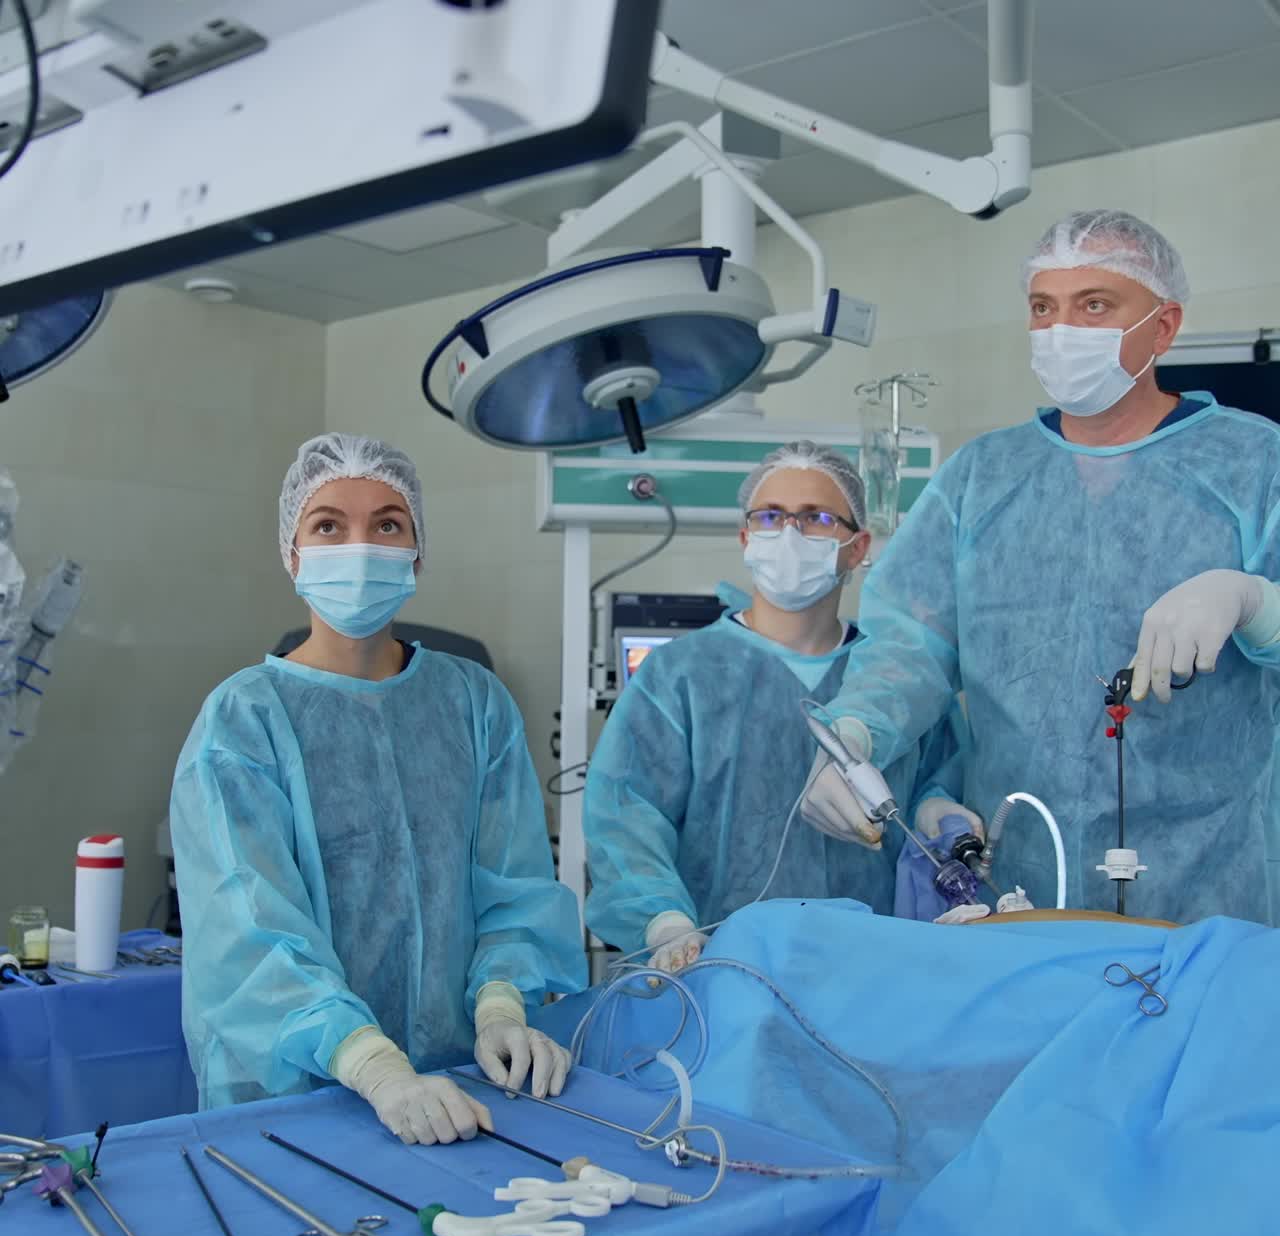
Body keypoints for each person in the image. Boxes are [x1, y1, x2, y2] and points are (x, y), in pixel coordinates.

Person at [802, 210, 1280, 924]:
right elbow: (910, 646)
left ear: (1164, 326)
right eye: (1042, 308)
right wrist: (858, 734)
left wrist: (1254, 602)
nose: (1062, 331)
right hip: (1019, 882)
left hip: (1209, 883)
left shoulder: (1254, 462)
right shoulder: (982, 479)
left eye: (1094, 305)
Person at [171, 433, 586, 1144]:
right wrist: (370, 1063)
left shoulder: (475, 705)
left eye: (387, 524)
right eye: (328, 524)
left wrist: (502, 1007)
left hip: (467, 1088)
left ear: (417, 553)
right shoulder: (243, 723)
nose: (359, 545)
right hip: (300, 1091)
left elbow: (512, 885)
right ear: (291, 552)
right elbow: (249, 932)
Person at [583, 441, 976, 971]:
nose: (788, 534)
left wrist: (941, 816)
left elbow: (941, 785)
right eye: (770, 517)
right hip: (715, 976)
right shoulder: (679, 677)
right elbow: (627, 819)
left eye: (815, 518)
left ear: (857, 549)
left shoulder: (901, 681)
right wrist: (666, 924)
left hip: (875, 977)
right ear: (747, 539)